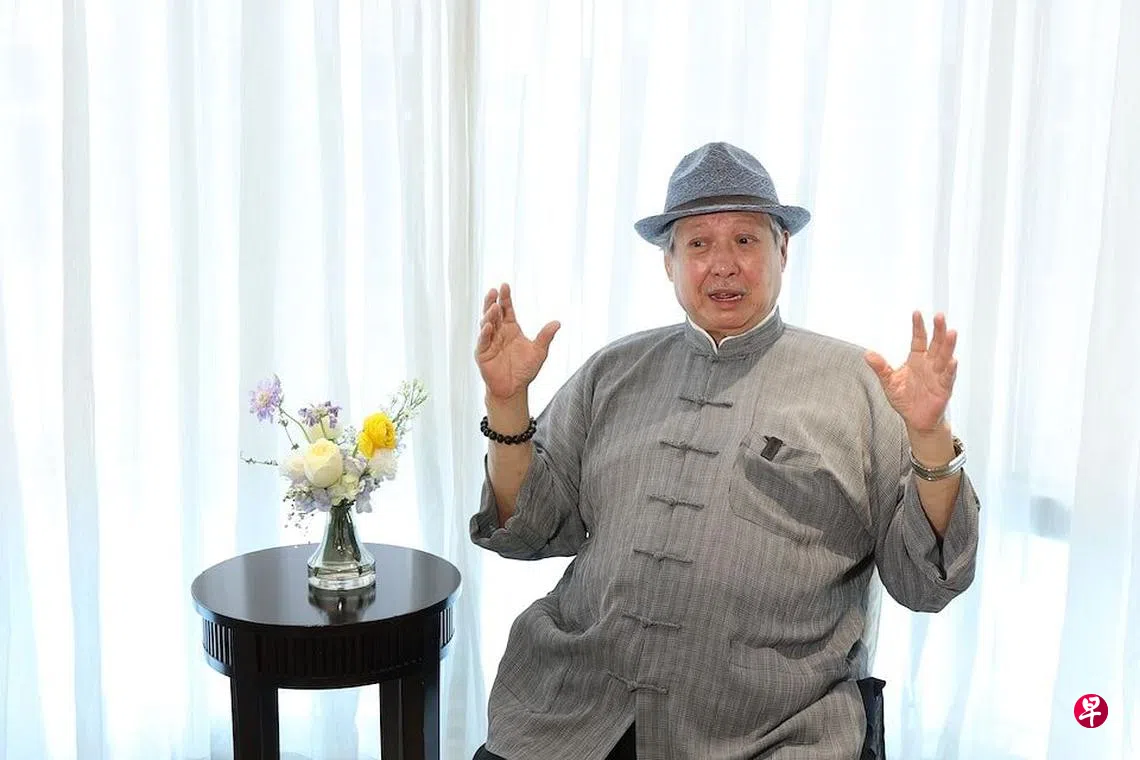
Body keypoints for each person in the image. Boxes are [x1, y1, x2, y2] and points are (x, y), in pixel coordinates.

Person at [469, 142, 979, 760]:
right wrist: (507, 404)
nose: (723, 265)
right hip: (570, 711)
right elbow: (527, 529)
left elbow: (927, 581)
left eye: (744, 240)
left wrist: (929, 435)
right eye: (698, 244)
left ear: (782, 251)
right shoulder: (614, 370)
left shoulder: (860, 385)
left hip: (773, 731)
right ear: (669, 263)